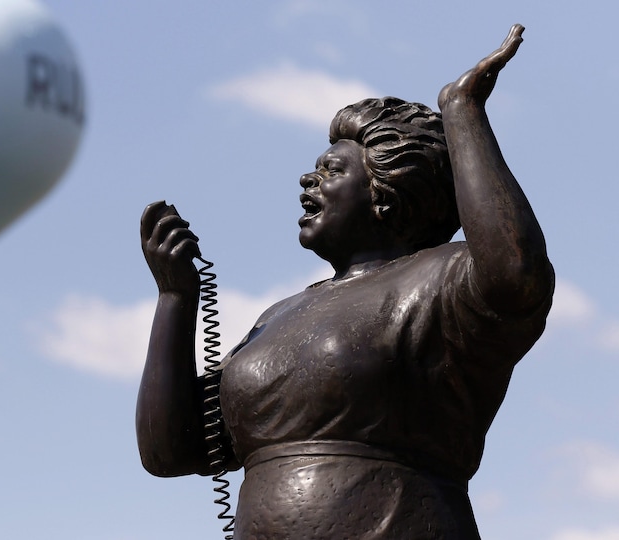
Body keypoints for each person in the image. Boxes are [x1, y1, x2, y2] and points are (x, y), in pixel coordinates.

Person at [136, 25, 554, 540]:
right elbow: (169, 450)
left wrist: (461, 113)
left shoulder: (440, 279)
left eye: (330, 169)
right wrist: (176, 299)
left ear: (385, 192)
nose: (308, 180)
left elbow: (517, 274)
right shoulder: (277, 316)